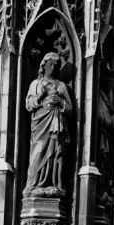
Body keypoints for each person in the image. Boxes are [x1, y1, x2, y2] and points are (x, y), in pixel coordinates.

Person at [23, 51, 73, 198]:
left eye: (57, 65)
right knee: (37, 155)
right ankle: (33, 185)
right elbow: (29, 105)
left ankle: (53, 184)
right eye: (51, 64)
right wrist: (41, 95)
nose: (54, 67)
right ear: (44, 65)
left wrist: (60, 101)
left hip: (56, 125)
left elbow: (70, 108)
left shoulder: (61, 86)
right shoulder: (36, 84)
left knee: (55, 153)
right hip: (40, 125)